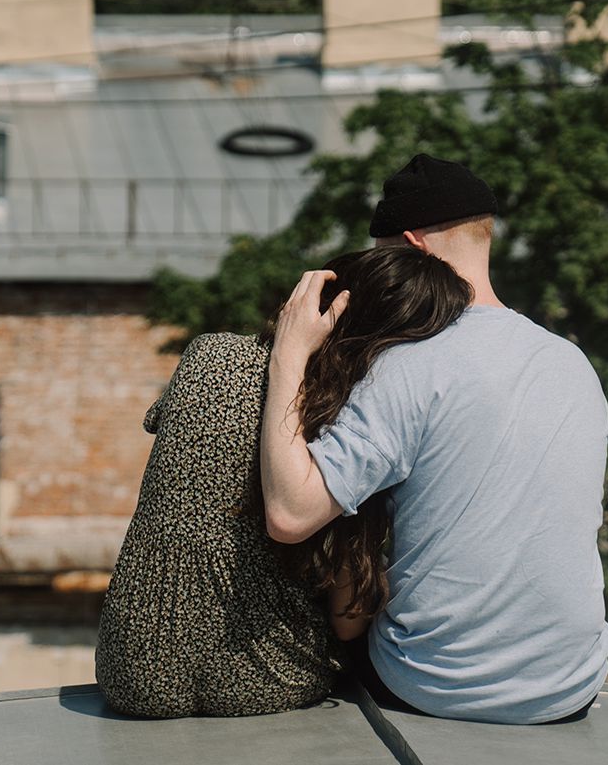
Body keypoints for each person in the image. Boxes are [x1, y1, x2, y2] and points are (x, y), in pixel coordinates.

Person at [260, 153, 608, 725]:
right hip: (569, 688)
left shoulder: (409, 365)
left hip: (437, 687)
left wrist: (289, 354)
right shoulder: (571, 362)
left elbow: (290, 513)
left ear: (412, 249)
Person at [96, 246, 471, 718]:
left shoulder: (208, 353)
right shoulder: (348, 422)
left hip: (131, 671)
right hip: (264, 680)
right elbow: (347, 616)